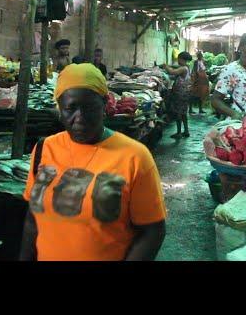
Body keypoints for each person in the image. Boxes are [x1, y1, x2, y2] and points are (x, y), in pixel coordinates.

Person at [19, 63, 166, 261]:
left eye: (89, 108)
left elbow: (152, 232)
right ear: (59, 109)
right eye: (70, 108)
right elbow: (32, 219)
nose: (80, 118)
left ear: (105, 104)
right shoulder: (44, 149)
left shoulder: (135, 157)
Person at [162, 52, 193, 139]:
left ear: (182, 59)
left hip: (180, 93)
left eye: (178, 59)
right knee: (183, 113)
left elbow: (172, 72)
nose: (178, 61)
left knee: (178, 113)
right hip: (185, 93)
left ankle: (179, 132)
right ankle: (186, 131)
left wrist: (165, 66)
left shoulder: (183, 68)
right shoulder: (187, 67)